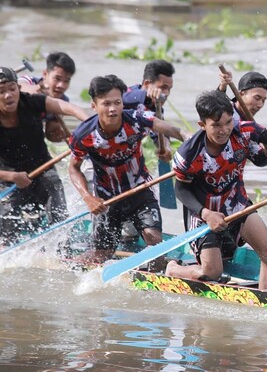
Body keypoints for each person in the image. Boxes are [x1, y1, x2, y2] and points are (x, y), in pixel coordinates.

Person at [168, 90, 267, 290]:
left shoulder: (244, 130)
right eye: (216, 125)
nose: (224, 130)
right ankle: (174, 269)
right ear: (202, 125)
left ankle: (266, 298)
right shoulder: (189, 153)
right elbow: (181, 189)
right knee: (212, 273)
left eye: (228, 123)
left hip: (236, 203)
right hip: (204, 214)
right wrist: (206, 213)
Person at [67, 75, 188, 265]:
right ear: (94, 106)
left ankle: (157, 268)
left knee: (155, 243)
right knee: (101, 256)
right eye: (106, 104)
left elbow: (174, 130)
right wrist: (88, 197)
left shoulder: (137, 119)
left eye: (117, 102)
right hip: (107, 199)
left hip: (140, 191)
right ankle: (68, 264)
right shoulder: (83, 135)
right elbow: (73, 169)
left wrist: (192, 139)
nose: (113, 109)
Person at [0, 66, 88, 245]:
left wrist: (92, 123)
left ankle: (61, 244)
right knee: (7, 232)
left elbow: (68, 108)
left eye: (12, 89)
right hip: (8, 179)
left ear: (18, 88)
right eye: (1, 91)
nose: (8, 95)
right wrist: (12, 176)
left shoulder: (31, 102)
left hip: (42, 169)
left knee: (53, 186)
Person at [217, 68, 267, 166]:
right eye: (257, 98)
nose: (260, 105)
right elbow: (216, 103)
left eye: (263, 100)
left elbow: (259, 160)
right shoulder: (226, 109)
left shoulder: (251, 128)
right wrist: (223, 85)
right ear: (241, 94)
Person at [18, 51, 76, 142]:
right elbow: (21, 87)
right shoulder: (29, 81)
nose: (61, 85)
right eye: (57, 79)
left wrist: (59, 135)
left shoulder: (62, 101)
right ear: (45, 74)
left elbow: (50, 133)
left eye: (67, 81)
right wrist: (39, 89)